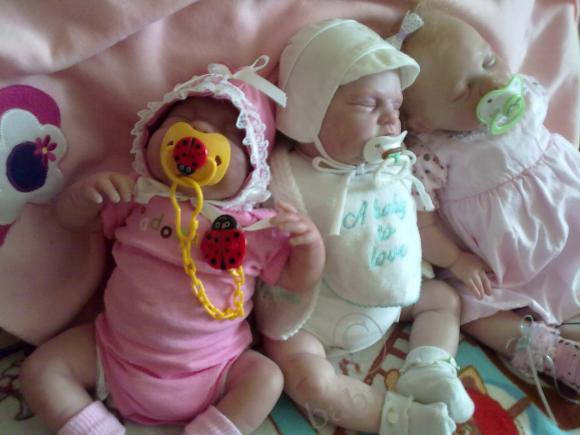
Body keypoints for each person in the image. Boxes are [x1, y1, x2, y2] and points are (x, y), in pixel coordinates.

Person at [19, 57, 325, 435]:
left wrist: (310, 247)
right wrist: (85, 197)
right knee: (42, 369)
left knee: (266, 378)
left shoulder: (255, 229)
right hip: (112, 355)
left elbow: (295, 281)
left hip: (216, 370)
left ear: (254, 169)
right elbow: (71, 221)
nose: (199, 130)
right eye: (183, 119)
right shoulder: (137, 196)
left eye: (228, 133)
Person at [255, 19, 473, 435]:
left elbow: (417, 224)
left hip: (392, 303)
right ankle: (395, 419)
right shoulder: (284, 178)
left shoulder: (396, 166)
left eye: (396, 106)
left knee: (443, 299)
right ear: (310, 112)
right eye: (369, 105)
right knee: (305, 378)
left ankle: (430, 367)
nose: (391, 119)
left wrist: (454, 259)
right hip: (315, 318)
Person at [392, 5, 580, 399]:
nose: (492, 85)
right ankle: (547, 352)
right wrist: (456, 261)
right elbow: (421, 223)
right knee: (470, 308)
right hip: (501, 260)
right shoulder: (430, 152)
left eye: (490, 61)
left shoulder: (525, 96)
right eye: (465, 91)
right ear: (422, 121)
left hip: (568, 215)